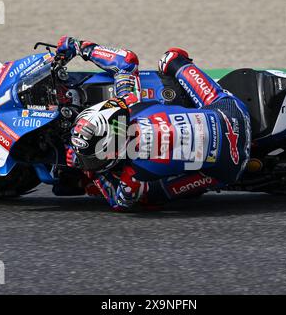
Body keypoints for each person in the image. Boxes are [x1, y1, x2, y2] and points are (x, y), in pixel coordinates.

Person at [56, 36, 251, 211]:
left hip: (230, 169)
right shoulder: (130, 103)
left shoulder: (132, 175)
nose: (93, 163)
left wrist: (90, 172)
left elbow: (120, 202)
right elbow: (127, 61)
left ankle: (211, 181)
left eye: (95, 157)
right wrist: (81, 47)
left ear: (112, 150)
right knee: (170, 59)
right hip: (232, 113)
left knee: (152, 196)